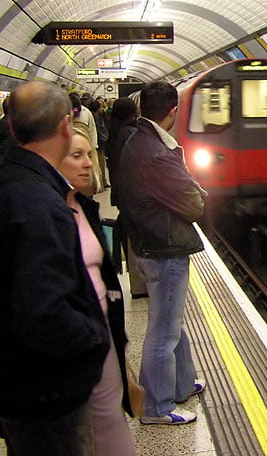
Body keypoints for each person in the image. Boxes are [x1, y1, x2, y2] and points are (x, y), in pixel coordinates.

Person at [0, 81, 109, 456]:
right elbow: (42, 310)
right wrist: (92, 337)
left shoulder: (11, 182)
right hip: (46, 390)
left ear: (12, 128)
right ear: (66, 126)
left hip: (17, 383)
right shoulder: (40, 203)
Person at [119, 81, 207, 425]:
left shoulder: (136, 141)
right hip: (164, 247)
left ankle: (182, 384)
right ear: (173, 111)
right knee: (164, 329)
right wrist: (198, 193)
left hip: (148, 241)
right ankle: (156, 407)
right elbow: (194, 204)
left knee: (172, 320)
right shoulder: (156, 151)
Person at [58, 124, 136, 456]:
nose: (90, 163)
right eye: (77, 155)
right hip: (74, 339)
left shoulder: (86, 207)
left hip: (100, 332)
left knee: (109, 417)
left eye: (90, 154)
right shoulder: (46, 214)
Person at [105, 97, 146, 296]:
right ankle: (139, 286)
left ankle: (137, 283)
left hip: (122, 194)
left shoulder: (115, 132)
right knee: (136, 240)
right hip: (132, 196)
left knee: (131, 237)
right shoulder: (130, 134)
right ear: (132, 112)